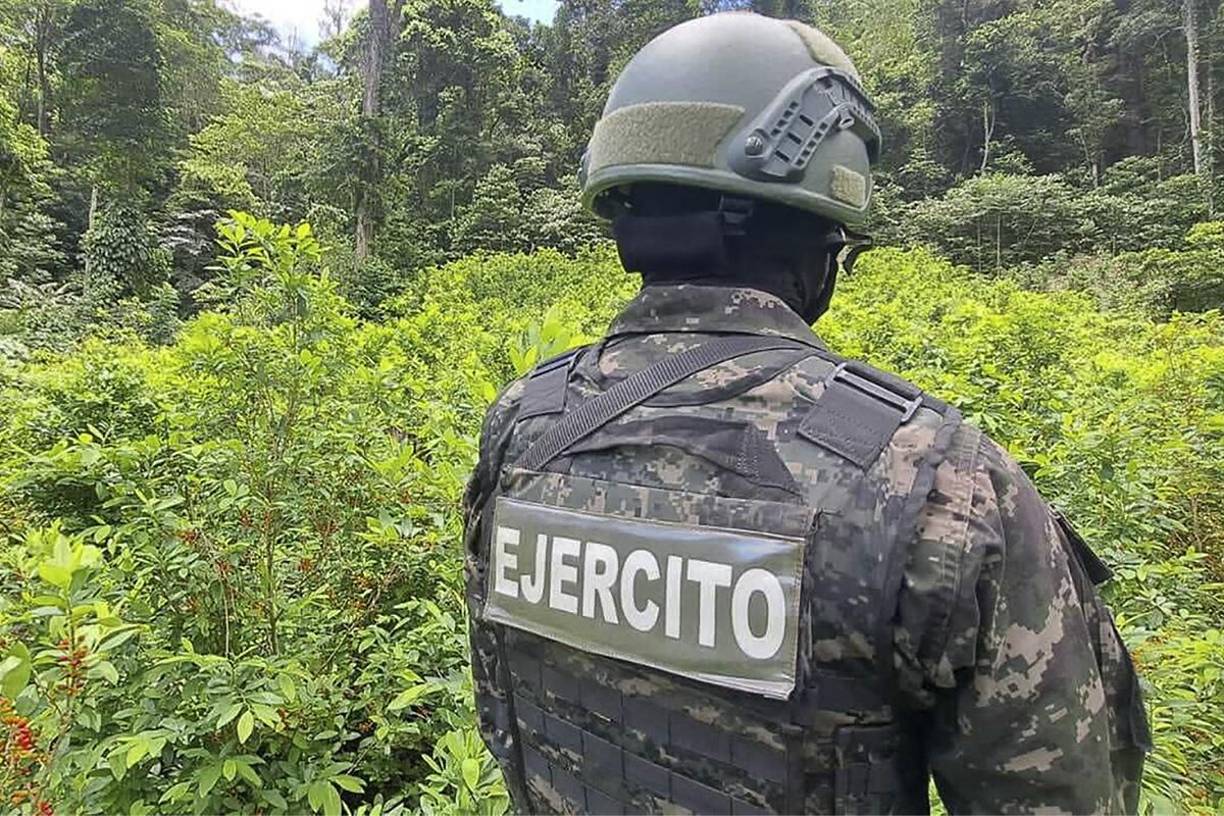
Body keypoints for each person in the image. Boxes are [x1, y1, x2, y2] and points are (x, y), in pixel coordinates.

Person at [462, 11, 1150, 815]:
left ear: (625, 217)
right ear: (823, 242)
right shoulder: (938, 478)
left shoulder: (525, 422)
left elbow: (504, 710)